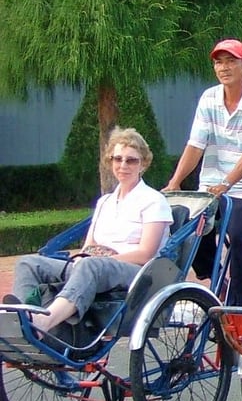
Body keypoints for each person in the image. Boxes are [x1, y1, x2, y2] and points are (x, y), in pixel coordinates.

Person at [5, 128, 173, 333]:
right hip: (95, 265)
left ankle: (42, 324)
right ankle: (22, 318)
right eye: (117, 159)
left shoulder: (154, 200)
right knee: (29, 263)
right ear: (110, 161)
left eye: (131, 160)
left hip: (135, 272)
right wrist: (83, 258)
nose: (123, 165)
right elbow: (89, 245)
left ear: (143, 163)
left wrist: (104, 260)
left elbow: (146, 253)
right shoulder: (105, 202)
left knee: (91, 266)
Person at [163, 39, 242, 307]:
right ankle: (215, 279)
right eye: (218, 62)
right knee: (188, 225)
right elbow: (195, 145)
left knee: (238, 233)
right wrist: (175, 181)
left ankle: (240, 302)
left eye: (231, 61)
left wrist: (227, 183)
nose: (223, 67)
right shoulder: (208, 98)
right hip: (213, 184)